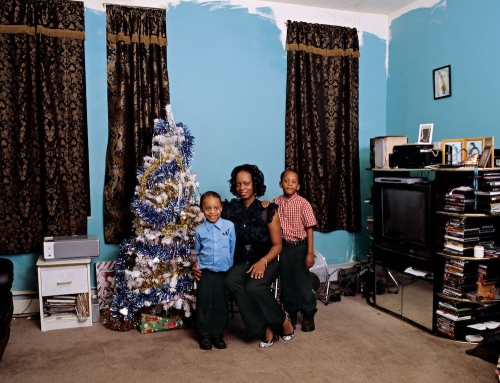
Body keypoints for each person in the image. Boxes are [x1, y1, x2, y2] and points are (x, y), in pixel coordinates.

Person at [193, 164, 294, 348]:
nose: (242, 188)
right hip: (242, 261)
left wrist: (263, 262)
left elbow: (278, 246)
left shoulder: (267, 210)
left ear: (254, 184)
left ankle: (281, 319)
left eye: (246, 183)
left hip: (267, 259)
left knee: (254, 287)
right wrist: (198, 262)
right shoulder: (229, 209)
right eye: (238, 184)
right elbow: (211, 233)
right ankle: (264, 325)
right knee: (230, 281)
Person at [266, 169, 318, 332]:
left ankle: (308, 314)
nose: (289, 184)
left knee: (302, 283)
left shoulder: (303, 203)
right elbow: (268, 216)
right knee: (286, 283)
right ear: (280, 184)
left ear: (298, 186)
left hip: (300, 247)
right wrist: (267, 205)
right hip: (284, 248)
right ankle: (291, 312)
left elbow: (309, 229)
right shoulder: (276, 201)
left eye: (293, 181)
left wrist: (309, 252)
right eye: (286, 181)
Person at [194, 191, 236, 350]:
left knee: (220, 303)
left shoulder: (229, 226)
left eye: (216, 208)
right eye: (208, 208)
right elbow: (197, 251)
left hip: (223, 272)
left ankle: (218, 333)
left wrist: (230, 269)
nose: (212, 212)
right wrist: (196, 266)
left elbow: (232, 249)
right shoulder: (199, 231)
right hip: (205, 273)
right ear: (202, 210)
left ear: (221, 208)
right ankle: (204, 334)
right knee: (204, 302)